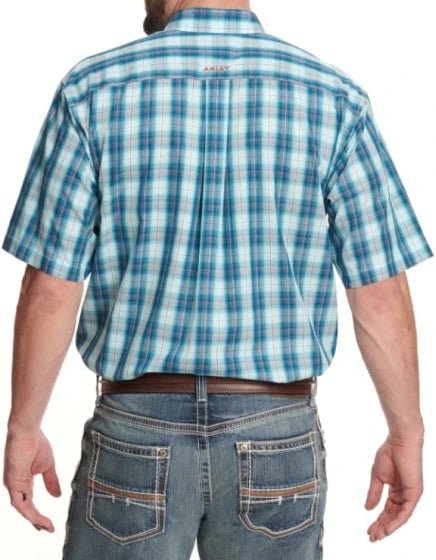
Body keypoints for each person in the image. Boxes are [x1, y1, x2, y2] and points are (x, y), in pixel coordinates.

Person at [2, 0, 433, 558]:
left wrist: (23, 428)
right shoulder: (333, 98)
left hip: (135, 430)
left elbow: (50, 287)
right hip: (278, 435)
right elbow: (378, 291)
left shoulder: (92, 90)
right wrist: (407, 434)